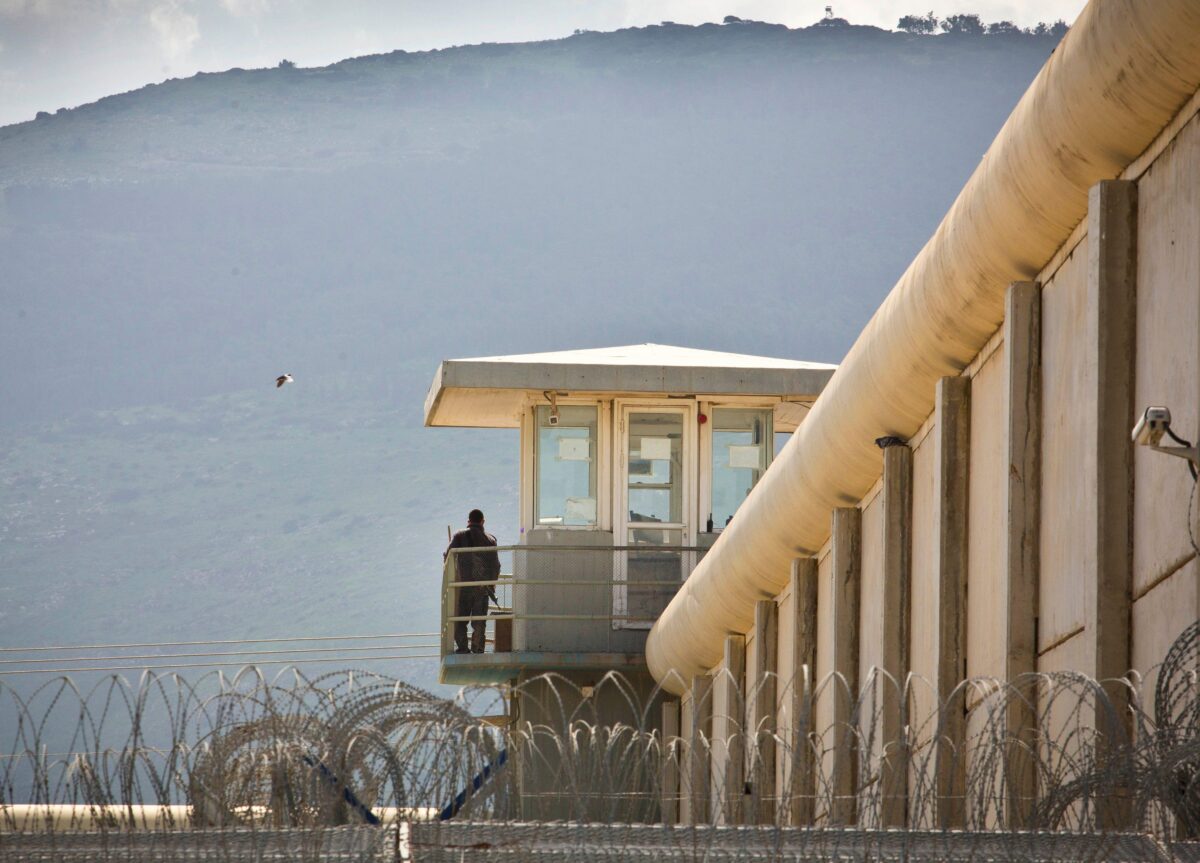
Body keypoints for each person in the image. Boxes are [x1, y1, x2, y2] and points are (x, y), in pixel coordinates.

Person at [444, 509, 501, 654]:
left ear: (468, 521)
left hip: (464, 586)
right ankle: (478, 649)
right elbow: (496, 565)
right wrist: (491, 584)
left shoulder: (459, 536)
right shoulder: (491, 540)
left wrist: (452, 575)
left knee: (460, 620)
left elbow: (447, 555)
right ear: (483, 521)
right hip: (482, 589)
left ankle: (463, 648)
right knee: (479, 622)